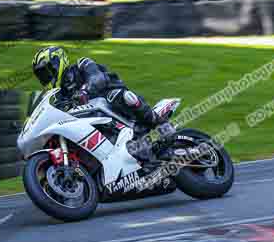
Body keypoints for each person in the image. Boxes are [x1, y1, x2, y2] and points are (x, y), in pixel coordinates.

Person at [31, 46, 175, 164]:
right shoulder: (60, 95)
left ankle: (158, 123)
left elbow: (97, 77)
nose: (45, 77)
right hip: (96, 120)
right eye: (41, 76)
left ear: (57, 63)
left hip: (111, 100)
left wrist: (85, 91)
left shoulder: (81, 65)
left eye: (46, 72)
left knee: (123, 97)